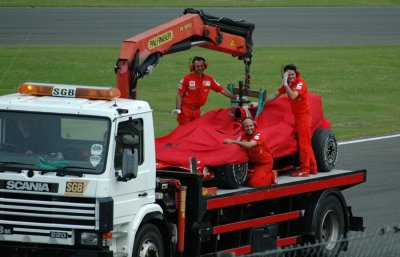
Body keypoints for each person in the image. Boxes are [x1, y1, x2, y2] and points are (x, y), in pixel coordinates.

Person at [265, 64, 317, 177]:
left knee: (304, 144)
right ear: (284, 75)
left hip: (304, 116)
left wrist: (285, 84)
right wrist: (261, 103)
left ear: (296, 73)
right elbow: (274, 95)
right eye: (288, 75)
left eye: (292, 74)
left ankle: (305, 170)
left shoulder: (300, 83)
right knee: (306, 143)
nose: (291, 77)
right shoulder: (288, 84)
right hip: (298, 116)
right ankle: (313, 167)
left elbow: (293, 96)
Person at [172, 56, 236, 125]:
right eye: (198, 66)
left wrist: (236, 98)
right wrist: (178, 109)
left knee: (195, 133)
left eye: (202, 66)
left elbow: (222, 90)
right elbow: (180, 95)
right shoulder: (186, 79)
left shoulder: (209, 79)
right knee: (184, 132)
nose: (200, 68)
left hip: (197, 111)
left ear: (205, 66)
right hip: (185, 111)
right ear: (193, 67)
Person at [224, 117, 277, 188]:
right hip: (253, 164)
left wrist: (233, 141)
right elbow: (236, 146)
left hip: (265, 163)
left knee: (255, 183)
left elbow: (250, 145)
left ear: (254, 125)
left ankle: (272, 175)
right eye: (247, 126)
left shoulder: (259, 134)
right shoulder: (243, 136)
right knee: (241, 180)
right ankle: (257, 174)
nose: (249, 128)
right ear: (243, 127)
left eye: (251, 125)